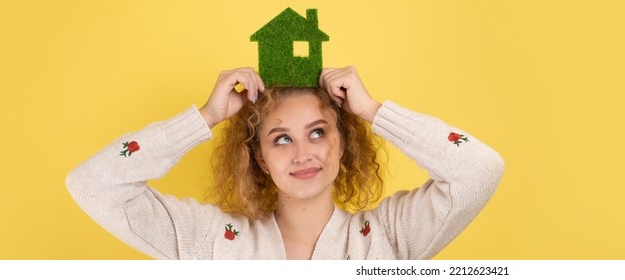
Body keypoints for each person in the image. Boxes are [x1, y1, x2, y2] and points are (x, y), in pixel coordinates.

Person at [66, 66, 504, 259]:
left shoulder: (389, 240)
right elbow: (92, 184)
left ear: (342, 142)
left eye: (318, 132)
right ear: (259, 157)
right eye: (281, 139)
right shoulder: (213, 242)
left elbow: (479, 169)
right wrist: (206, 117)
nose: (303, 154)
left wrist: (372, 110)